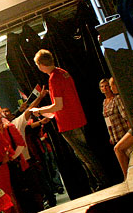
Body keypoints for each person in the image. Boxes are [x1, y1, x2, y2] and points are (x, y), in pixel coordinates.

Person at [31, 49, 108, 190]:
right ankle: (97, 183)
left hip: (69, 123)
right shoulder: (63, 72)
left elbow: (58, 105)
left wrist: (39, 110)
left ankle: (102, 182)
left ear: (41, 65)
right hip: (77, 117)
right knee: (84, 153)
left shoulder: (53, 78)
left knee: (84, 155)